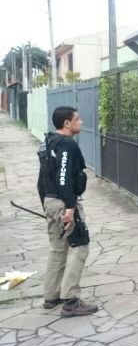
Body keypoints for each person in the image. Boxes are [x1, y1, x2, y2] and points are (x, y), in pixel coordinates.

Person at [37, 106, 97, 317]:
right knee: (80, 247)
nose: (81, 122)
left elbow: (41, 180)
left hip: (51, 201)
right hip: (64, 203)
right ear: (67, 123)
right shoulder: (66, 144)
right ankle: (71, 300)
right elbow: (63, 177)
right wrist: (70, 208)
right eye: (77, 119)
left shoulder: (48, 142)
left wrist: (47, 206)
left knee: (57, 249)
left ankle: (51, 296)